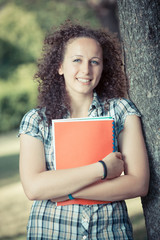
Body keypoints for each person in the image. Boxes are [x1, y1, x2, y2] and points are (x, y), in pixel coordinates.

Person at [19, 20, 149, 239]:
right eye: (77, 60)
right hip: (52, 230)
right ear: (60, 66)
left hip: (109, 231)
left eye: (94, 62)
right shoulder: (36, 120)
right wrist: (103, 169)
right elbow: (34, 188)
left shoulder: (121, 110)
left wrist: (65, 191)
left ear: (103, 67)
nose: (86, 70)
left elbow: (138, 183)